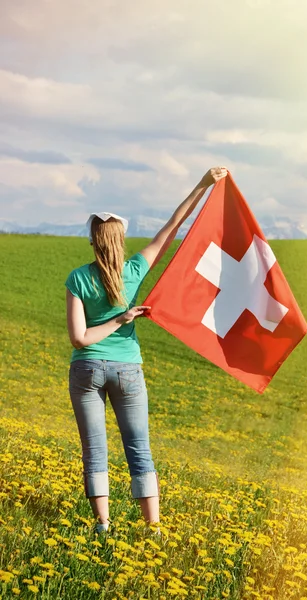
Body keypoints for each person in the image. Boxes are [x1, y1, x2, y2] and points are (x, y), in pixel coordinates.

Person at [65, 166, 228, 534]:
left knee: (94, 449)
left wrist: (110, 323)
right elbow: (172, 227)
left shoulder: (77, 277)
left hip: (86, 370)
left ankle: (103, 525)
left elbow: (79, 339)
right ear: (121, 240)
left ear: (93, 239)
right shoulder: (135, 268)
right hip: (128, 370)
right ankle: (152, 527)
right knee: (139, 447)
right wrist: (203, 184)